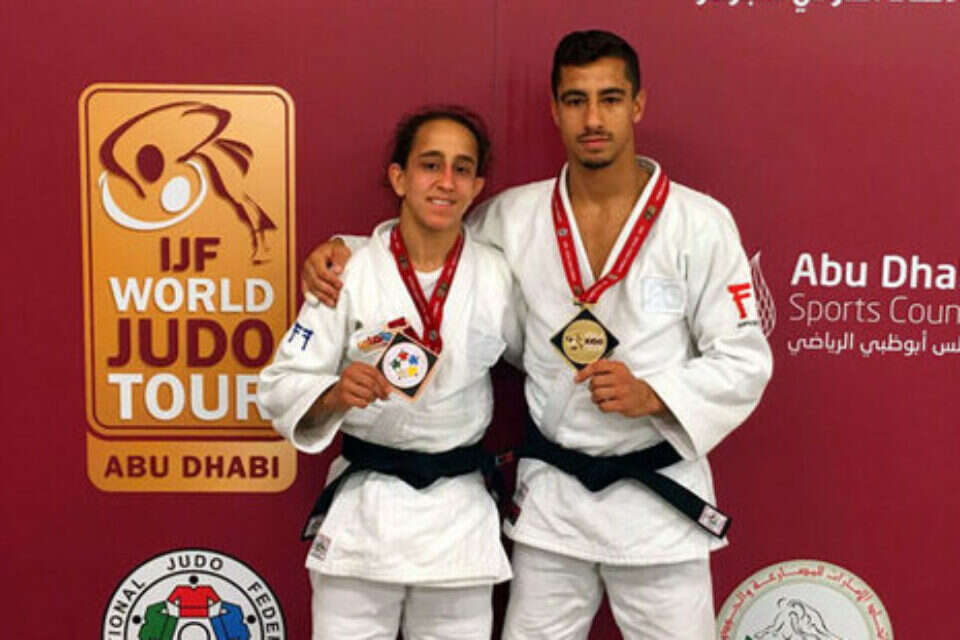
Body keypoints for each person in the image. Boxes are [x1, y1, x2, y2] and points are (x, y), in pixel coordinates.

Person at [303, 31, 773, 640]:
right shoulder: (513, 217)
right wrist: (346, 251)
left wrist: (654, 395)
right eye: (576, 100)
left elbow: (743, 358)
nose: (593, 119)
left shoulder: (700, 223)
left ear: (638, 104)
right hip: (554, 503)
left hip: (659, 503)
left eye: (610, 98)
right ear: (554, 110)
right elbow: (431, 249)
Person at [258, 106, 523, 640]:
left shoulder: (498, 276)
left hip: (458, 519)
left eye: (462, 169)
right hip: (366, 513)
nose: (446, 181)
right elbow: (280, 384)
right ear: (399, 178)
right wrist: (334, 393)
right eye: (430, 164)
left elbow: (541, 362)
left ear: (477, 188)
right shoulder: (348, 271)